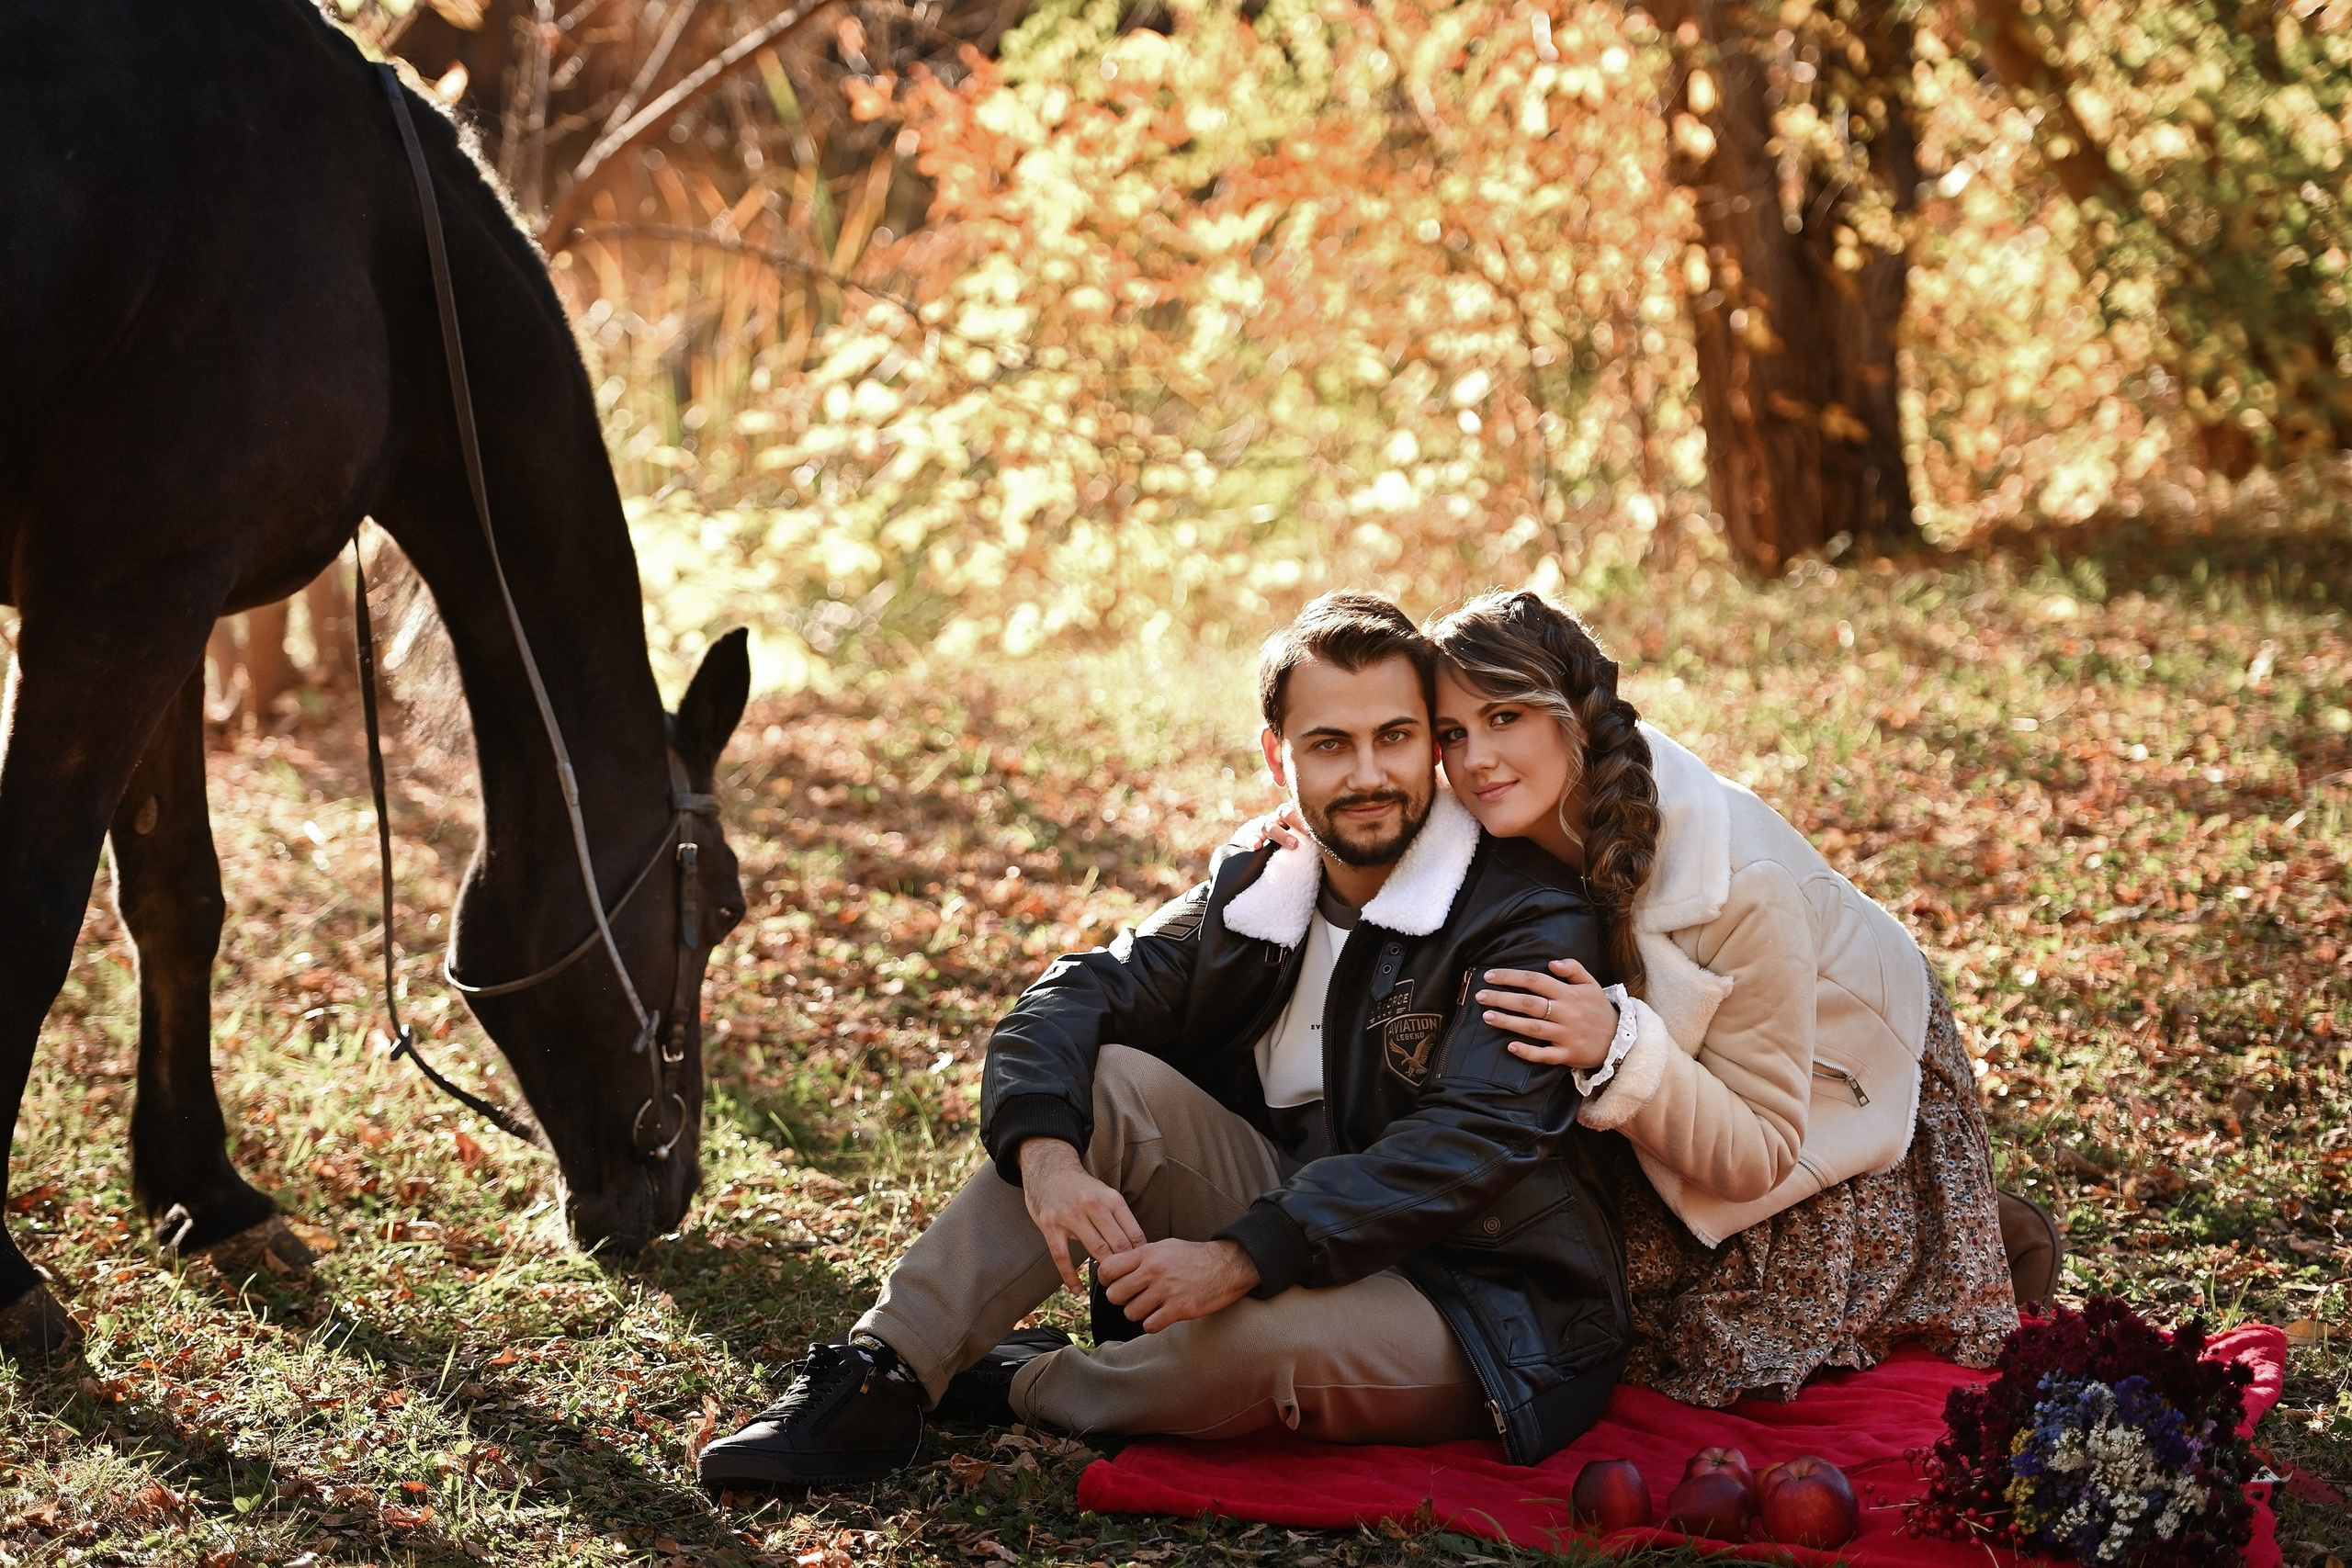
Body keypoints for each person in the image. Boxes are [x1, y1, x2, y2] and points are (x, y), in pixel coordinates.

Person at [696, 592, 1630, 1492]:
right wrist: (1048, 1159)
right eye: (1329, 745)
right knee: (1106, 1082)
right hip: (1298, 1225)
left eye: (1394, 737)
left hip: (1475, 1298)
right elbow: (1074, 996)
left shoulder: (1525, 916)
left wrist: (1237, 1257)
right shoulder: (1266, 887)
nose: (1367, 776)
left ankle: (1026, 1382)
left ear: (1432, 742)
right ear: (1278, 758)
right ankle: (883, 1374)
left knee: (1267, 1348)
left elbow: (1467, 1143)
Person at [1273, 588, 2034, 1409]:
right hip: (1687, 1076)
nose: (1477, 759)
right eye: (1453, 733)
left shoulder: (1741, 888)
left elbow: (1760, 1151)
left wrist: (1617, 1049)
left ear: (1571, 716)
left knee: (1708, 1337)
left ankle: (1974, 1227)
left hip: (1831, 1101)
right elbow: (1365, 795)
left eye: (1506, 717)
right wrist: (1300, 836)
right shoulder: (1498, 805)